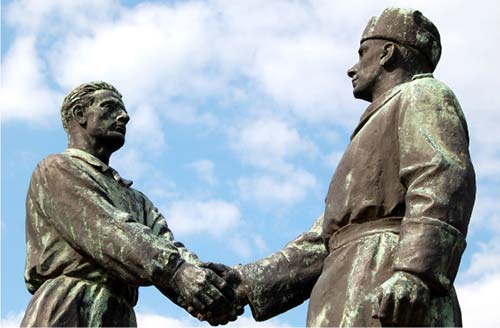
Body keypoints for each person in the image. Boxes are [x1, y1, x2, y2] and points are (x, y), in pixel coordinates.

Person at [204, 7, 476, 327]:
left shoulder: (424, 94)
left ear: (388, 53)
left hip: (387, 281)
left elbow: (440, 179)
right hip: (344, 287)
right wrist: (246, 283)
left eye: (363, 53)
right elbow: (323, 239)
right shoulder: (372, 127)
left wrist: (415, 272)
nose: (352, 68)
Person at [22, 81, 242, 327]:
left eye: (123, 110)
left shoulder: (136, 199)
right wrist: (178, 272)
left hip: (120, 312)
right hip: (68, 304)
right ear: (80, 115)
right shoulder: (56, 169)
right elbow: (109, 230)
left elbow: (169, 248)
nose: (124, 117)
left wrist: (212, 286)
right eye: (109, 107)